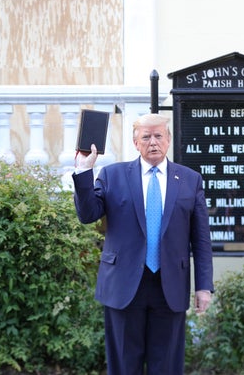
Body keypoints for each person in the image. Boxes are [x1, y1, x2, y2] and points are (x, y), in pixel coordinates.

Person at [73, 113, 214, 375]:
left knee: (167, 367)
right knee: (125, 367)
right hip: (124, 286)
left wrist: (204, 286)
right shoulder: (113, 175)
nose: (153, 142)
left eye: (159, 136)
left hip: (169, 286)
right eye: (146, 137)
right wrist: (84, 171)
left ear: (168, 139)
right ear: (135, 142)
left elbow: (201, 239)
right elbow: (87, 215)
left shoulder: (189, 179)